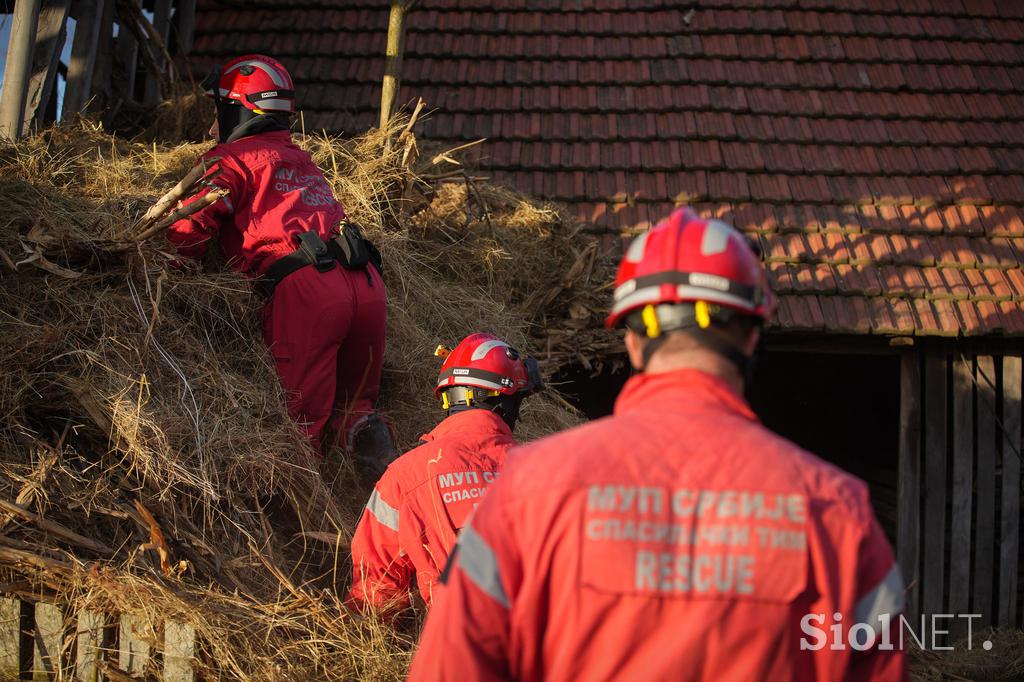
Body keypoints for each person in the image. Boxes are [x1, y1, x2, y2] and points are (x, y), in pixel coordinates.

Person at [409, 208, 906, 681]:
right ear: (753, 336)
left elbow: (449, 667)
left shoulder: (525, 492)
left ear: (631, 340)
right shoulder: (838, 514)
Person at [166, 55, 396, 472]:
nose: (213, 124)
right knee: (355, 407)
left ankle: (301, 516)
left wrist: (170, 270)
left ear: (237, 110)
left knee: (300, 424)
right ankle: (371, 476)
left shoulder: (229, 161)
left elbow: (191, 221)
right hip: (366, 283)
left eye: (218, 109)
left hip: (308, 292)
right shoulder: (302, 160)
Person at [347, 333, 543, 611]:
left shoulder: (404, 476)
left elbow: (375, 592)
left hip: (458, 644)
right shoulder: (548, 472)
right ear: (505, 401)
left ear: (448, 400)